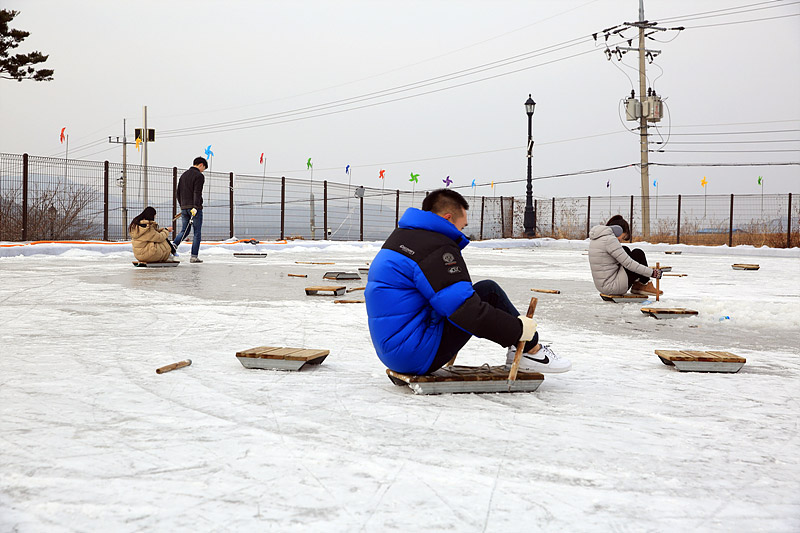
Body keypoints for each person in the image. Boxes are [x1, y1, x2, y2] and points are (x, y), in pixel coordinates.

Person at [365, 188, 571, 375]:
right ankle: (530, 349)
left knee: (472, 295)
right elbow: (466, 311)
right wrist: (519, 330)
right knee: (488, 291)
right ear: (447, 218)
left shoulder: (402, 238)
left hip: (393, 350)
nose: (461, 232)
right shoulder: (434, 248)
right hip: (415, 354)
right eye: (461, 226)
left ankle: (524, 347)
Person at [588, 214, 663, 296]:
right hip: (613, 287)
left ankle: (639, 284)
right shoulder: (610, 240)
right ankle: (644, 283)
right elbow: (629, 264)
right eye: (622, 237)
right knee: (638, 253)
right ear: (619, 231)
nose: (620, 241)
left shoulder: (597, 238)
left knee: (625, 250)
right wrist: (652, 273)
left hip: (603, 285)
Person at [173, 157, 207, 263]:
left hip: (184, 207)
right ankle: (194, 256)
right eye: (204, 168)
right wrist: (196, 207)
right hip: (194, 208)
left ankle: (173, 246)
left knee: (185, 230)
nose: (203, 171)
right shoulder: (199, 176)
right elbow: (197, 192)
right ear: (201, 165)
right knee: (197, 232)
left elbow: (177, 193)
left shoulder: (183, 175)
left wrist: (182, 205)